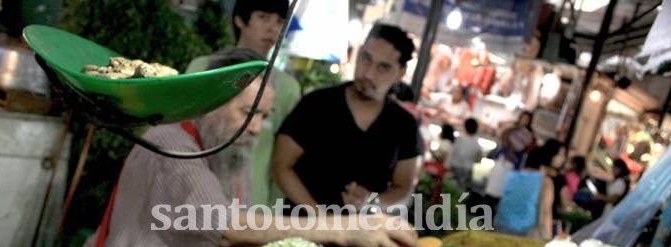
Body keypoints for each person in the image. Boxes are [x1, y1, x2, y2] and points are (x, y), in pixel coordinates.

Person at [60, 49, 416, 247]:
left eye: (264, 116)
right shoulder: (171, 143)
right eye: (248, 112)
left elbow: (244, 237)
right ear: (212, 101)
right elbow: (224, 228)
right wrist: (344, 229)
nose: (256, 128)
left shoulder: (225, 150)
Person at [272, 23, 423, 213]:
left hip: (363, 236)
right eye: (366, 59)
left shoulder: (404, 125)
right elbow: (281, 166)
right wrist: (319, 218)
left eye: (383, 67)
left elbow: (405, 191)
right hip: (302, 228)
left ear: (400, 73)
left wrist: (371, 202)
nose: (368, 73)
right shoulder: (317, 104)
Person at [185, 0, 301, 208]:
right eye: (263, 17)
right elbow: (183, 132)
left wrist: (271, 217)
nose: (272, 28)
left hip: (254, 207)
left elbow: (281, 161)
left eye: (279, 21)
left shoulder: (287, 89)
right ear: (240, 19)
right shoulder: (203, 68)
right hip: (194, 198)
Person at [494, 139, 566, 240]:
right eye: (561, 155)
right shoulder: (546, 182)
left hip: (502, 226)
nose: (563, 159)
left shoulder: (514, 175)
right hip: (526, 233)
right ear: (551, 155)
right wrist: (548, 239)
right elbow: (546, 212)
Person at [447, 117, 482, 192]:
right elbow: (478, 159)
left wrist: (446, 165)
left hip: (455, 166)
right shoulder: (476, 142)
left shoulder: (459, 138)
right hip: (467, 169)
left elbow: (451, 153)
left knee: (449, 189)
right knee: (461, 192)